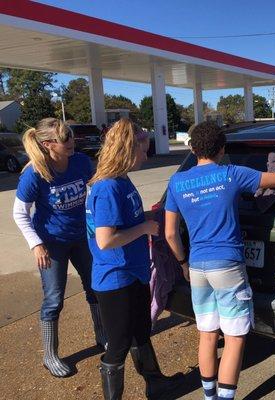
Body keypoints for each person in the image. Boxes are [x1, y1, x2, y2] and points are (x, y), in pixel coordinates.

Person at [165, 121, 275, 400]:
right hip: (227, 265)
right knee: (235, 337)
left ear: (193, 148)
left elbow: (169, 233)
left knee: (206, 334)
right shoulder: (231, 174)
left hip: (197, 266)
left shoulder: (177, 182)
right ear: (222, 149)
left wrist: (182, 263)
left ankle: (208, 396)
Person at [86, 119, 178, 399]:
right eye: (144, 150)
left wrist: (149, 218)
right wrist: (145, 228)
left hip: (134, 272)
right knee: (118, 344)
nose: (147, 156)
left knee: (141, 331)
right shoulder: (108, 187)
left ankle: (155, 382)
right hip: (115, 278)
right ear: (129, 148)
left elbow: (124, 222)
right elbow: (105, 239)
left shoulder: (122, 180)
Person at [12, 118, 104, 378]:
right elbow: (20, 213)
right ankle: (50, 356)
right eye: (65, 139)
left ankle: (103, 336)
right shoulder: (35, 173)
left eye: (71, 136)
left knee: (95, 288)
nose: (71, 142)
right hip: (51, 244)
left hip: (82, 238)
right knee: (54, 299)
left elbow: (95, 187)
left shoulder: (80, 162)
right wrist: (36, 244)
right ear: (47, 144)